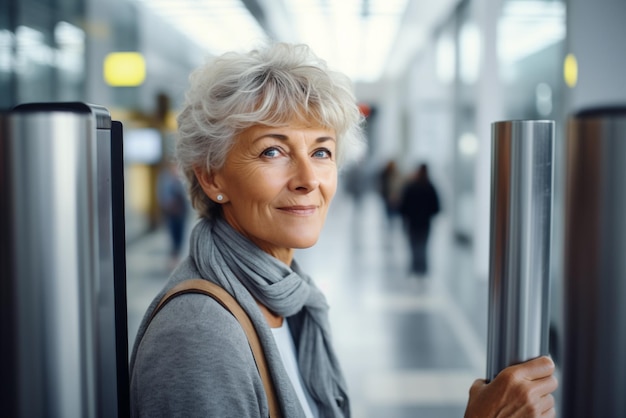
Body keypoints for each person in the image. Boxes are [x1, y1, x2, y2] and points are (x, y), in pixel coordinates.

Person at [129, 42, 557, 418]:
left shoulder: (290, 299)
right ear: (212, 177)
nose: (307, 179)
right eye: (273, 150)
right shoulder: (199, 337)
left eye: (321, 151)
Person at [399, 163, 441, 278]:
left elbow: (403, 206)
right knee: (423, 245)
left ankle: (414, 267)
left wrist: (408, 215)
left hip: (412, 222)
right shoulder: (430, 187)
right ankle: (422, 269)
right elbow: (436, 208)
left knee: (413, 245)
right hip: (425, 223)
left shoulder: (411, 187)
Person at [156, 160, 189, 267]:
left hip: (181, 212)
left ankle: (176, 255)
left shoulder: (181, 179)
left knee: (180, 234)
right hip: (171, 212)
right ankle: (173, 256)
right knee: (172, 234)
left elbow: (186, 194)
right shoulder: (165, 179)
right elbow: (162, 195)